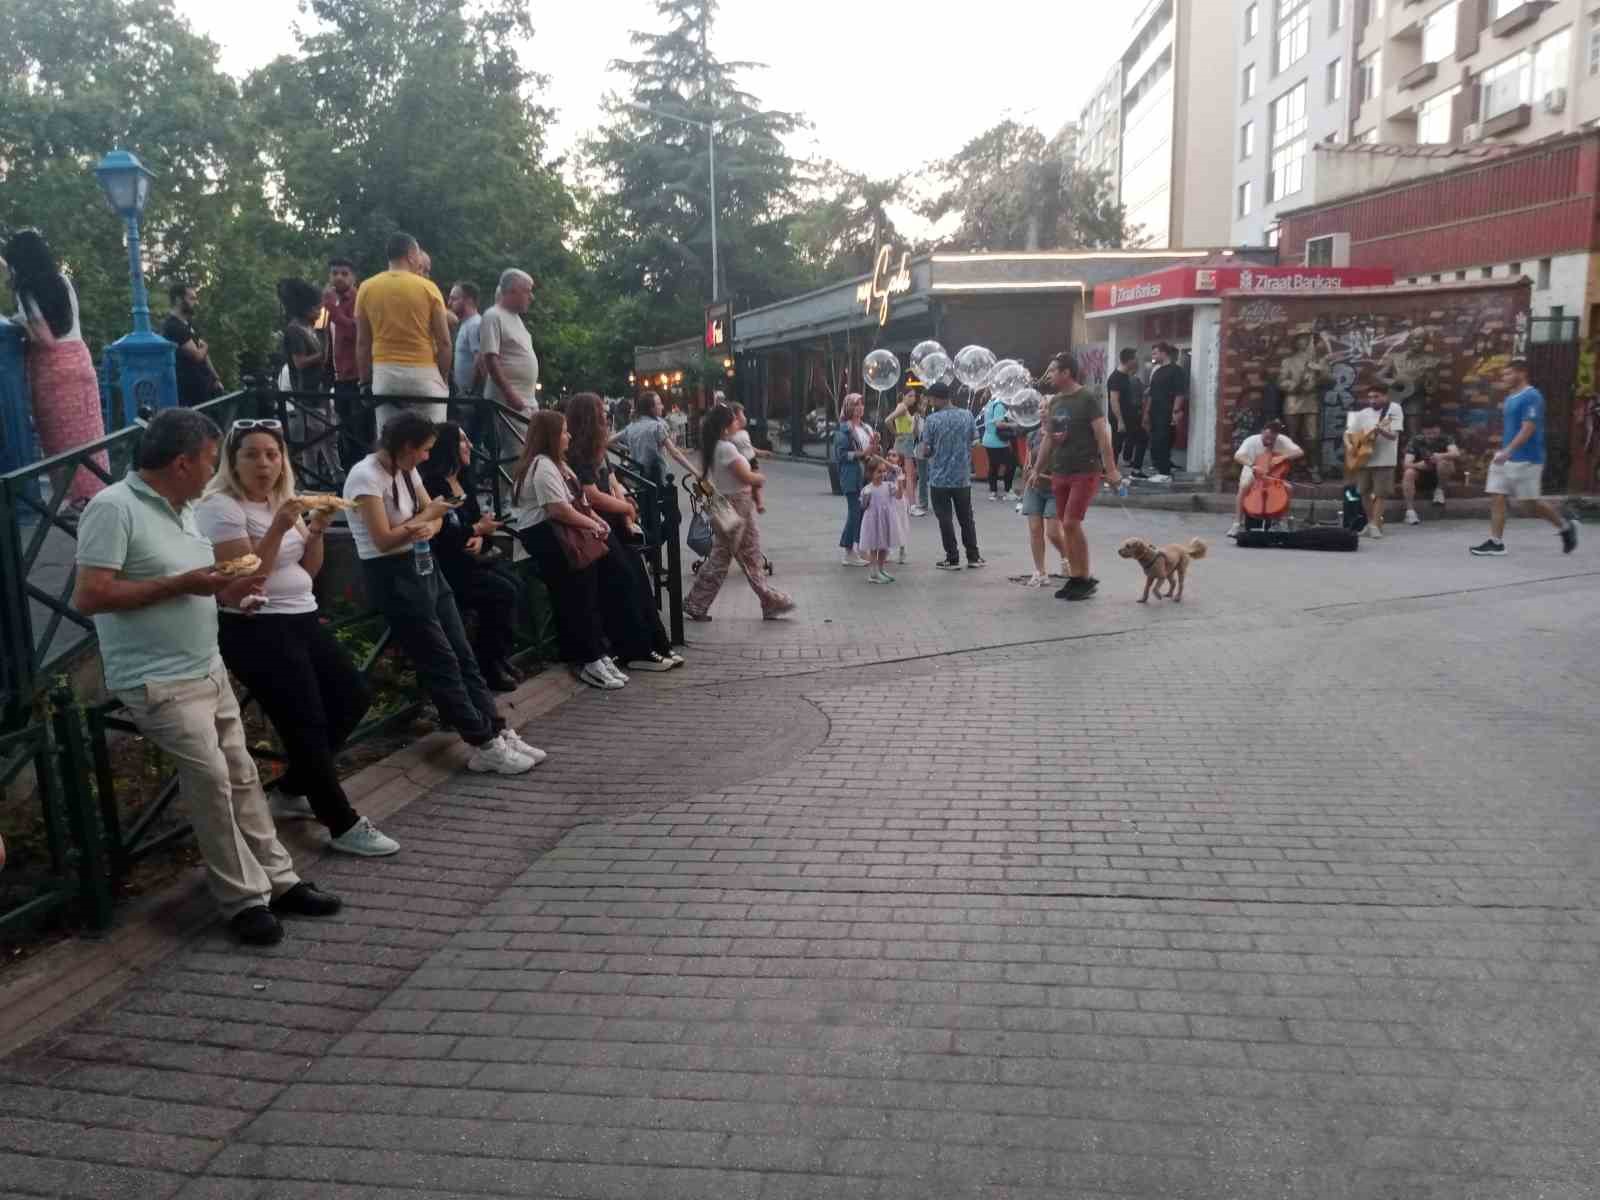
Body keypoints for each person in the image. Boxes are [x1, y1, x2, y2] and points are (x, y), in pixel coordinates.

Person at [73, 408, 342, 946]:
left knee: (242, 776)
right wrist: (183, 585)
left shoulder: (187, 507)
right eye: (208, 461)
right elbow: (90, 596)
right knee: (214, 784)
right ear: (181, 463)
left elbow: (207, 582)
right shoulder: (112, 508)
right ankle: (243, 900)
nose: (214, 472)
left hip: (206, 664)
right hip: (157, 679)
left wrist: (231, 593)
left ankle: (280, 880)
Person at [196, 419, 398, 858]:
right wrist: (276, 528)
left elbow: (307, 570)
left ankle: (292, 789)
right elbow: (248, 579)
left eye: (272, 454)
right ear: (233, 461)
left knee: (352, 696)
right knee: (305, 719)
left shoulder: (280, 500)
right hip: (255, 625)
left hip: (302, 615)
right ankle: (341, 823)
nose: (264, 464)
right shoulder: (221, 507)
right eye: (251, 454)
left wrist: (319, 527)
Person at [343, 410, 542, 771]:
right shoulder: (364, 477)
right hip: (392, 574)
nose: (426, 457)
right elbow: (383, 538)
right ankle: (481, 741)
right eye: (423, 450)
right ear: (405, 446)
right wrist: (423, 520)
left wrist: (426, 522)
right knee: (441, 660)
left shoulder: (407, 470)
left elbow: (435, 517)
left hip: (424, 565)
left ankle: (495, 729)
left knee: (463, 653)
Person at [563, 392, 683, 673]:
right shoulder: (579, 454)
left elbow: (613, 480)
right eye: (600, 413)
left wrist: (625, 503)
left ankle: (657, 644)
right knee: (624, 580)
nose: (606, 416)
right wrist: (625, 508)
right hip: (599, 524)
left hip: (615, 520)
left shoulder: (598, 449)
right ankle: (635, 649)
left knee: (638, 579)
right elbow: (591, 495)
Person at [510, 411, 629, 688]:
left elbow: (579, 501)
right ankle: (588, 658)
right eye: (563, 431)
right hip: (550, 539)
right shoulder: (542, 467)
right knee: (576, 597)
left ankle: (597, 654)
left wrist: (595, 520)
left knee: (586, 593)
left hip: (564, 536)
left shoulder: (557, 464)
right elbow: (558, 509)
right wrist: (592, 524)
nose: (569, 436)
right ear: (550, 436)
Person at [4, 229, 108, 509]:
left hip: (53, 371)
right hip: (81, 361)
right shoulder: (63, 281)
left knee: (62, 444)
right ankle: (99, 499)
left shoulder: (27, 290)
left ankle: (78, 503)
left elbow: (46, 340)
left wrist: (19, 322)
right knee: (90, 438)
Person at [420, 422, 524, 692]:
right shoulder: (433, 484)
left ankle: (499, 656)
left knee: (516, 586)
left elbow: (480, 525)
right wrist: (476, 530)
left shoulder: (465, 480)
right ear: (448, 448)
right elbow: (442, 533)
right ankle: (489, 664)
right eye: (463, 441)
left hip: (474, 560)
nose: (471, 446)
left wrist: (480, 535)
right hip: (449, 567)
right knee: (502, 593)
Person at [684, 405, 796, 621]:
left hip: (726, 503)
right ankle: (768, 600)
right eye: (734, 419)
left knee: (737, 555)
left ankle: (767, 600)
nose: (738, 421)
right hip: (735, 504)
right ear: (726, 426)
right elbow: (745, 476)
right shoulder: (726, 448)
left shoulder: (714, 447)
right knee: (735, 557)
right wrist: (759, 478)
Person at [1471, 359, 1579, 557]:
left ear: (1521, 373)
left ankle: (1565, 527)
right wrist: (1503, 451)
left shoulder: (1532, 396)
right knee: (1497, 496)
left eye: (1508, 374)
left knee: (1530, 505)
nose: (1504, 378)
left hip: (1527, 459)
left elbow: (1528, 428)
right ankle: (1496, 542)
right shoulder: (1511, 397)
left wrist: (1509, 450)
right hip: (1506, 457)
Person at [1042, 351, 1121, 601]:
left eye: (1054, 370)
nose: (1050, 375)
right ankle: (1076, 577)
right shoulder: (1055, 402)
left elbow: (1102, 435)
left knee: (1071, 523)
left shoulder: (1087, 398)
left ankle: (1084, 577)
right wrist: (1036, 469)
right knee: (1068, 525)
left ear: (1066, 373)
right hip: (1060, 470)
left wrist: (1111, 469)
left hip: (1085, 470)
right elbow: (1049, 438)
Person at [355, 232, 451, 434]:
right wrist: (442, 379)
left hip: (385, 375)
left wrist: (365, 382)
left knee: (389, 440)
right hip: (423, 376)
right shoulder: (428, 288)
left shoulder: (366, 287)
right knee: (432, 438)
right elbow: (444, 343)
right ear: (410, 255)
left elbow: (363, 343)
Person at [278, 278, 339, 486]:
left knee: (328, 437)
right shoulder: (295, 331)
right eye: (316, 308)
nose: (319, 311)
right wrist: (321, 356)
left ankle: (332, 476)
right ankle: (313, 481)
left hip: (318, 392)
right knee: (313, 443)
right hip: (305, 394)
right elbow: (299, 362)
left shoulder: (309, 327)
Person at [917, 382, 984, 570]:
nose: (930, 401)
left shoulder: (932, 420)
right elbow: (975, 440)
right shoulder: (967, 415)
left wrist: (926, 449)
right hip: (962, 476)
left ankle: (952, 558)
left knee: (945, 519)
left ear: (937, 398)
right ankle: (973, 556)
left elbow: (926, 449)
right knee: (966, 518)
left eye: (930, 398)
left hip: (939, 478)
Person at [322, 257, 367, 468]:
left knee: (360, 433)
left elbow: (356, 332)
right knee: (344, 434)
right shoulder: (329, 303)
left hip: (357, 378)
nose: (338, 277)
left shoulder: (359, 299)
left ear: (353, 277)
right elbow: (325, 335)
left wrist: (333, 310)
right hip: (339, 378)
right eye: (334, 273)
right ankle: (348, 481)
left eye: (344, 273)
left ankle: (362, 483)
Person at [1344, 384, 1403, 539]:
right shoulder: (1363, 413)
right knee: (1363, 492)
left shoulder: (1394, 409)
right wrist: (1351, 447)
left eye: (1376, 397)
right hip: (1364, 458)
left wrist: (1380, 429)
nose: (1372, 400)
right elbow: (1348, 433)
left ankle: (1376, 524)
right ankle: (1371, 523)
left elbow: (1394, 436)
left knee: (1380, 493)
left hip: (1385, 459)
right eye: (1370, 397)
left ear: (1385, 396)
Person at [1227, 421, 1304, 538]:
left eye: (1272, 439)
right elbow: (1238, 456)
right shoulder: (1251, 440)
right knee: (1244, 485)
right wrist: (1253, 465)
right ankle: (1237, 523)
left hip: (1273, 474)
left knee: (1289, 488)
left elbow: (1299, 452)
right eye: (1267, 437)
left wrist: (1283, 457)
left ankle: (1279, 521)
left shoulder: (1282, 439)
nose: (1269, 441)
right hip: (1252, 469)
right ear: (1262, 432)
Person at [480, 269, 538, 415]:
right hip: (507, 402)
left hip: (526, 400)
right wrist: (509, 393)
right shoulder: (493, 316)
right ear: (512, 290)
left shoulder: (517, 319)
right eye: (527, 291)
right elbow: (491, 359)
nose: (531, 297)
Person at [615, 390, 695, 491]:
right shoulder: (657, 427)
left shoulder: (631, 426)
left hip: (640, 481)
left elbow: (608, 442)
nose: (662, 406)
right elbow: (675, 453)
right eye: (659, 404)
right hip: (658, 480)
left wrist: (628, 448)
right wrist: (696, 472)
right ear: (651, 408)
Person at [1020, 423, 1069, 588]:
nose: (1042, 411)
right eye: (1040, 408)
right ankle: (1040, 572)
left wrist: (1041, 474)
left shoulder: (1064, 435)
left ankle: (1065, 555)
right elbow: (1027, 461)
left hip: (1056, 490)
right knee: (1035, 529)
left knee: (1053, 532)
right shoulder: (1033, 435)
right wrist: (1026, 476)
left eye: (1046, 408)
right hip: (1034, 488)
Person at [162, 283, 224, 407]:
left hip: (206, 386)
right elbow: (197, 355)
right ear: (179, 299)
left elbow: (205, 355)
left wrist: (216, 378)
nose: (195, 302)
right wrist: (205, 347)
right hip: (190, 392)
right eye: (191, 298)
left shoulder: (188, 323)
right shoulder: (172, 326)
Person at [833, 393, 876, 566]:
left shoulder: (866, 427)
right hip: (851, 475)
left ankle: (860, 548)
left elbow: (871, 451)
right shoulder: (844, 428)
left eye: (862, 404)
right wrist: (861, 454)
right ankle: (848, 550)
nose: (860, 408)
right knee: (855, 512)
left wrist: (875, 445)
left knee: (863, 512)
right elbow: (841, 455)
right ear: (849, 407)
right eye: (856, 404)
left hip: (867, 474)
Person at [1402, 421, 1461, 525]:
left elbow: (1456, 453)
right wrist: (1418, 465)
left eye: (1434, 429)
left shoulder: (1446, 438)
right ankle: (1410, 512)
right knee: (1408, 472)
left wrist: (1440, 456)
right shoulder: (1416, 440)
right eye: (1427, 430)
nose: (1431, 432)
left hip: (1440, 475)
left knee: (1445, 462)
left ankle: (1439, 491)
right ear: (1422, 430)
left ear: (1439, 429)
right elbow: (1406, 464)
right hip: (1421, 474)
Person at [1144, 342, 1185, 483]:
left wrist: (1176, 411)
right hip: (1155, 412)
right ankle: (1160, 470)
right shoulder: (1157, 371)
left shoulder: (1176, 370)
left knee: (1163, 441)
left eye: (1155, 353)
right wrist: (1146, 413)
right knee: (1155, 443)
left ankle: (1165, 473)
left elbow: (1180, 393)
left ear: (1164, 353)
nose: (1153, 356)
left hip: (1167, 412)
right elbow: (1151, 394)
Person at [856, 456, 901, 583]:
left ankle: (881, 569)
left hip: (885, 521)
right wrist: (866, 497)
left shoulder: (888, 486)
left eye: (884, 471)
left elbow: (899, 496)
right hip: (872, 522)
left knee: (884, 547)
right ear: (871, 473)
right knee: (874, 548)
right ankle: (873, 573)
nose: (882, 474)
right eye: (879, 472)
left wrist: (900, 480)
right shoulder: (867, 489)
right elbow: (863, 506)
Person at [883, 389, 926, 516]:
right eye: (910, 395)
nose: (913, 398)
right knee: (909, 475)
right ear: (903, 396)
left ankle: (903, 504)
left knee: (900, 474)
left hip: (905, 441)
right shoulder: (902, 407)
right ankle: (911, 506)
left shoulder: (904, 408)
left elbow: (914, 433)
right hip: (904, 442)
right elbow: (887, 420)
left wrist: (916, 421)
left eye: (914, 395)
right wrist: (895, 433)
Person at [1107, 347, 1146, 475]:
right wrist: (1120, 421)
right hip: (1121, 418)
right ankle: (1110, 473)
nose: (1137, 361)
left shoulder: (1125, 376)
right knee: (1117, 445)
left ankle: (1135, 470)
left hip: (1129, 417)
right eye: (1135, 358)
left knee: (1142, 438)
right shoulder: (1116, 377)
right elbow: (1114, 400)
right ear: (1129, 360)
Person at [728, 401, 766, 513]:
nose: (744, 418)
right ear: (734, 418)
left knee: (756, 485)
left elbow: (749, 447)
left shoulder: (745, 433)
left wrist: (760, 452)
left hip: (752, 460)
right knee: (749, 482)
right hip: (742, 463)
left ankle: (759, 503)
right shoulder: (730, 436)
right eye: (742, 415)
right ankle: (750, 499)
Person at [980, 389, 1018, 500]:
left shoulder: (990, 403)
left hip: (988, 440)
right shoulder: (999, 405)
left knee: (994, 465)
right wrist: (1013, 425)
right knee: (1011, 465)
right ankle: (1007, 491)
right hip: (998, 441)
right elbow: (999, 424)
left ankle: (993, 492)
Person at [448, 281, 484, 398]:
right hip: (463, 396)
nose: (449, 303)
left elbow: (480, 358)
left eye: (454, 299)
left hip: (470, 398)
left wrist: (470, 391)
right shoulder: (466, 325)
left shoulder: (475, 324)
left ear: (469, 300)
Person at [884, 449, 912, 565]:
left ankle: (902, 550)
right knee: (887, 526)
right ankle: (886, 550)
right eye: (889, 455)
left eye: (894, 456)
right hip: (889, 502)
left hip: (899, 503)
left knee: (900, 525)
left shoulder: (898, 470)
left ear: (899, 461)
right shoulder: (884, 471)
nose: (890, 457)